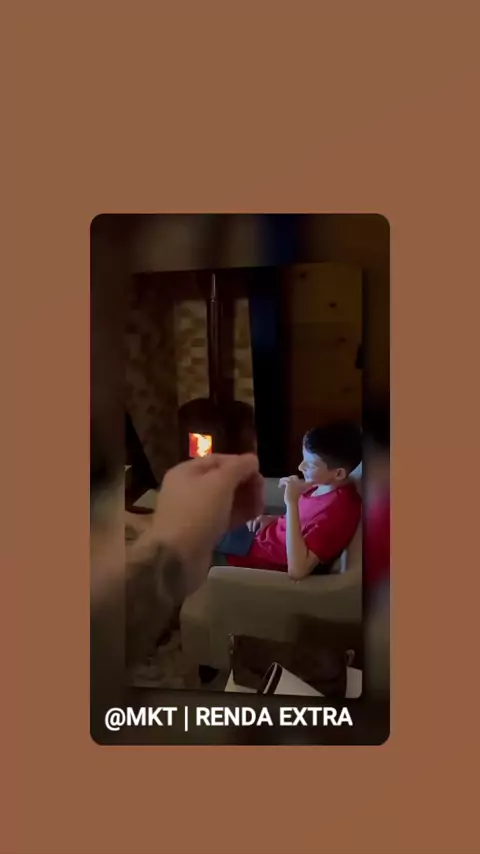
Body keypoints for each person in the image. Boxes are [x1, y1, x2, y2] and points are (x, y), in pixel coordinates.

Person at [216, 421, 362, 579]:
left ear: (338, 473)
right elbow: (303, 522)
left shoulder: (337, 514)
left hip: (259, 553)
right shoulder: (325, 485)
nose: (300, 467)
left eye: (310, 465)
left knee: (202, 531)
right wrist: (272, 520)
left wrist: (291, 502)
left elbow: (298, 570)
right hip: (260, 535)